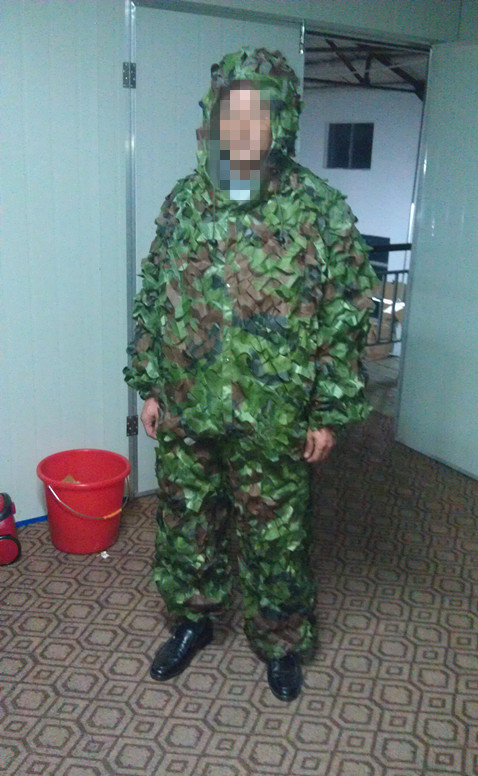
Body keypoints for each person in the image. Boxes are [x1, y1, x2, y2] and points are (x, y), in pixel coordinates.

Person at [124, 47, 375, 701]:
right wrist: (150, 384)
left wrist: (326, 411)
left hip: (275, 411)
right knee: (187, 520)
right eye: (230, 111)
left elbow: (345, 314)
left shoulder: (319, 209)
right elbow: (154, 295)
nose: (240, 126)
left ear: (280, 120)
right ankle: (192, 620)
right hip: (188, 401)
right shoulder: (185, 200)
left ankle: (281, 641)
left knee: (276, 532)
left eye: (255, 113)